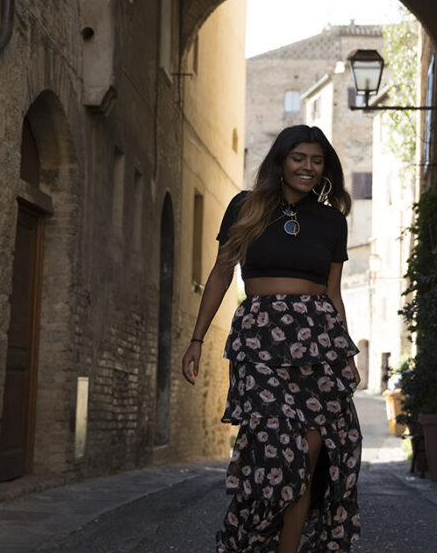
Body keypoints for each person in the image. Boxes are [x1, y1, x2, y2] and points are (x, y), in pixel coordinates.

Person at [182, 124, 362, 553]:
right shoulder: (246, 207)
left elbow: (333, 292)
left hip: (320, 344)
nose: (308, 167)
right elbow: (222, 272)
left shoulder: (332, 220)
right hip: (261, 339)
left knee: (310, 456)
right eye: (299, 158)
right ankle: (253, 537)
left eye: (317, 161)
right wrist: (197, 338)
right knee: (277, 456)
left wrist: (346, 352)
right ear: (281, 160)